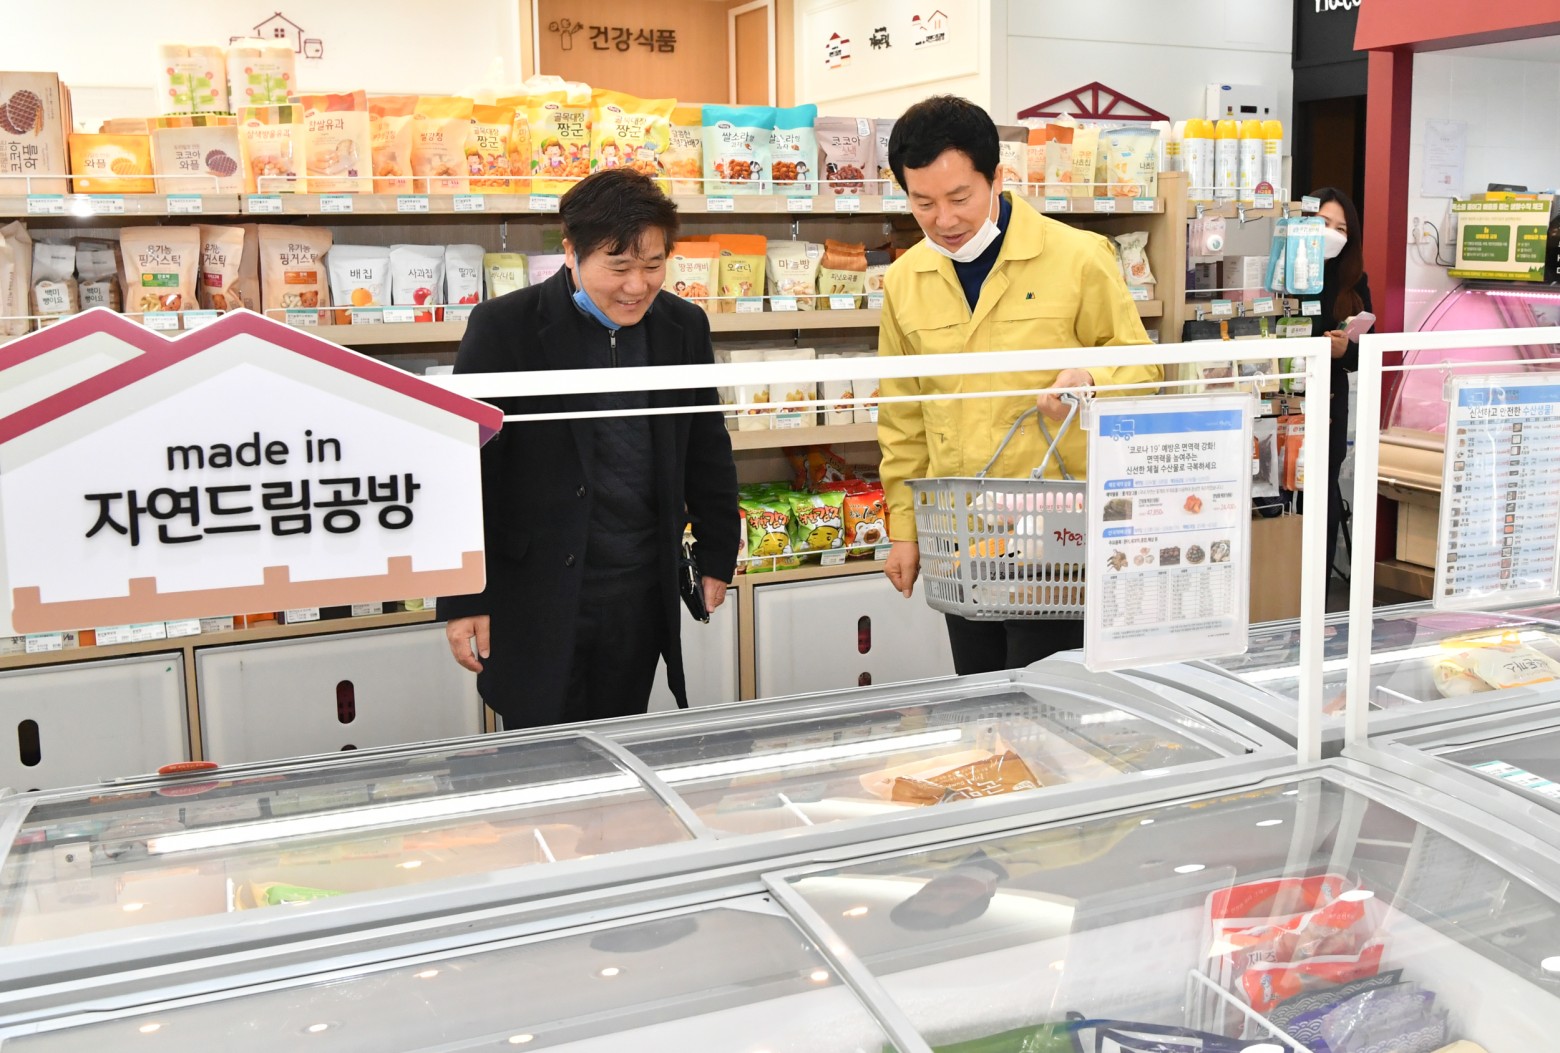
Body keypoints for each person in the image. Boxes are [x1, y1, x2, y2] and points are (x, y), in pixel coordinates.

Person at [442, 168, 740, 730]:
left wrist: (718, 552)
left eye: (653, 265)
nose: (637, 286)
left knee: (622, 739)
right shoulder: (505, 327)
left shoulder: (681, 325)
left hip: (638, 589)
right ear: (570, 252)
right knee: (541, 750)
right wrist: (463, 599)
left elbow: (706, 445)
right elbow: (466, 470)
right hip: (536, 592)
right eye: (618, 267)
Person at [876, 95, 1162, 675]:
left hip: (1058, 538)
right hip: (961, 537)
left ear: (998, 179)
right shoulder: (905, 280)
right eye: (923, 203)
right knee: (980, 699)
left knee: (1052, 701)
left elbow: (1143, 369)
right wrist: (904, 531)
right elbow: (903, 419)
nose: (944, 220)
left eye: (960, 198)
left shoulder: (1077, 256)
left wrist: (1092, 379)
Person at [1302, 187, 1371, 581]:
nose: (1331, 233)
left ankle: (1320, 596)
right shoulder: (1284, 272)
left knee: (1324, 497)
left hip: (1330, 400)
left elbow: (1368, 351)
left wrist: (1345, 350)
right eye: (1323, 223)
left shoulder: (1354, 280)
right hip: (1284, 401)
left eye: (1341, 228)